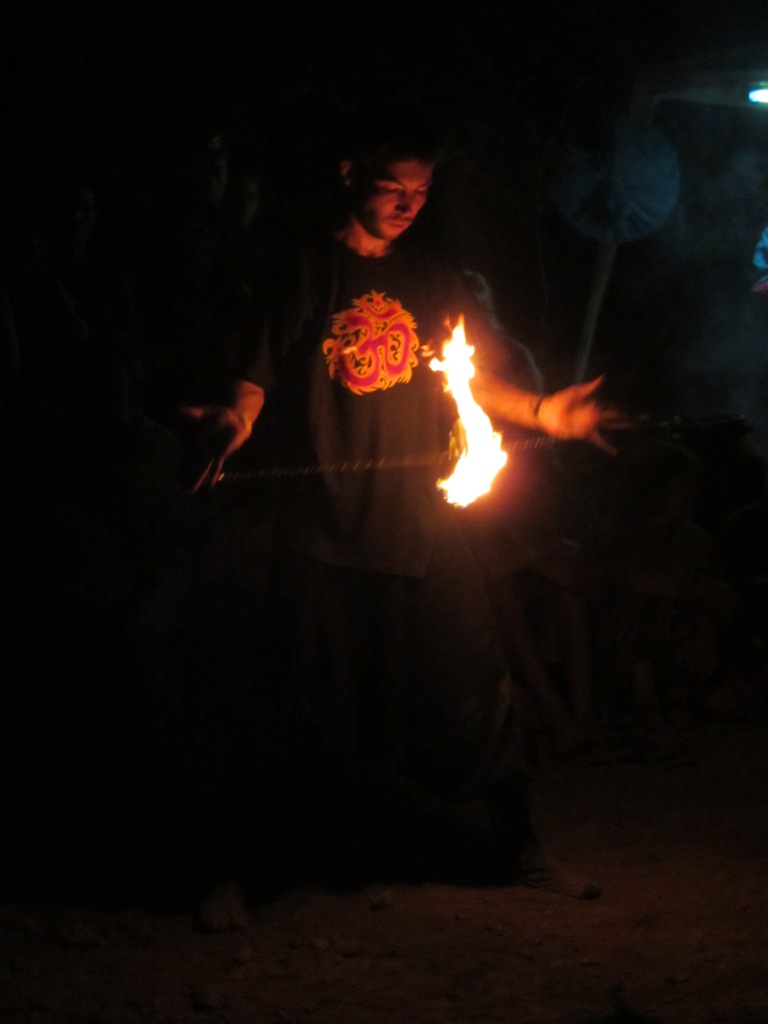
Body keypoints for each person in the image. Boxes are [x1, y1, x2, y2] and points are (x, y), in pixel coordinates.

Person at [176, 105, 628, 925]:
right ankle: (235, 873)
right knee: (286, 706)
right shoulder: (305, 270)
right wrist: (230, 425)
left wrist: (543, 411)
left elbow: (470, 379)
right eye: (393, 187)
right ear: (350, 175)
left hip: (422, 526)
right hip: (323, 530)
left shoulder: (433, 278)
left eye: (422, 190)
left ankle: (522, 848)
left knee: (475, 684)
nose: (410, 204)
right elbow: (254, 382)